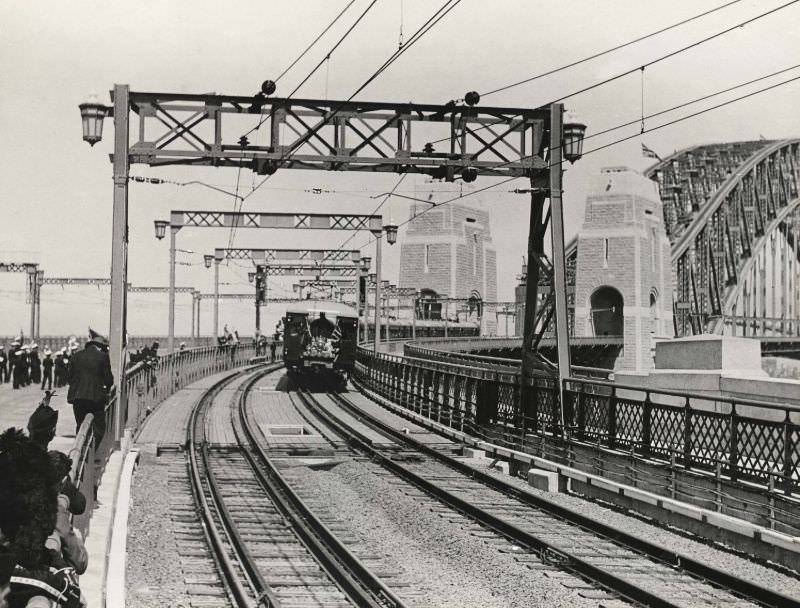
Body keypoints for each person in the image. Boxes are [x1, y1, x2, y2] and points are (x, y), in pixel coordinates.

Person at [66, 329, 114, 451]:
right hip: (95, 399)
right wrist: (107, 390)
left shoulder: (76, 356)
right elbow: (108, 379)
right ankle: (91, 452)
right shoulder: (102, 357)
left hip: (77, 398)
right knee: (99, 427)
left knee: (81, 425)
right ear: (101, 347)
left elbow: (69, 377)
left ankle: (80, 452)